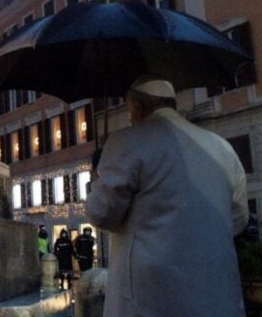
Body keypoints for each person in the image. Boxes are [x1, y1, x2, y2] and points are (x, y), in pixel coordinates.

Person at [86, 75, 249, 317]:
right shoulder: (223, 148)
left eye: (130, 111)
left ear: (138, 107)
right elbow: (238, 219)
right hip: (217, 296)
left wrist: (96, 182)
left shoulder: (126, 142)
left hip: (150, 298)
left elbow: (101, 214)